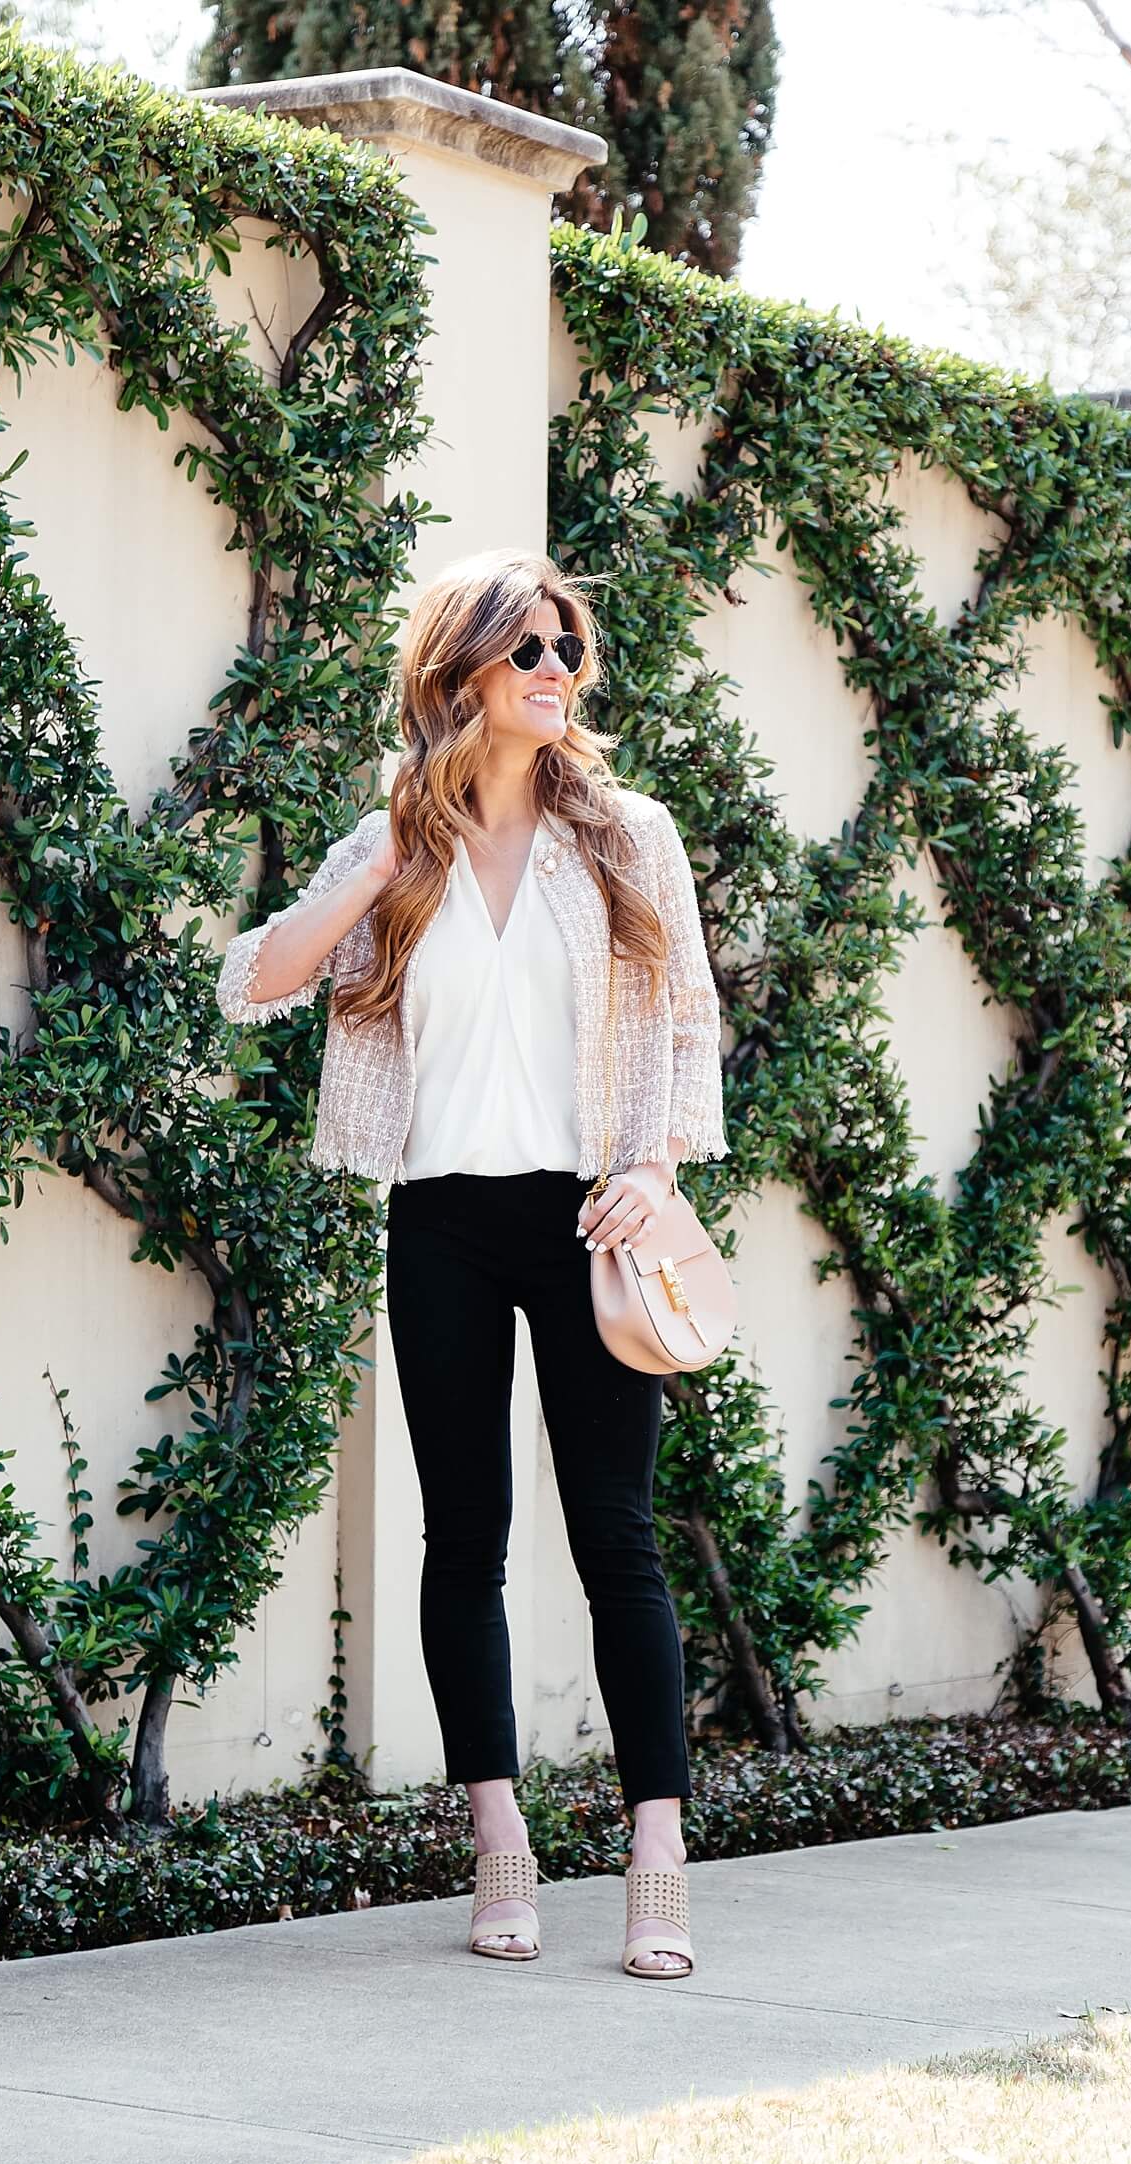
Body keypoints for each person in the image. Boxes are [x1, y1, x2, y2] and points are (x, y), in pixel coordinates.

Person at [216, 548, 728, 1979]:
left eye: (568, 650)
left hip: (588, 1223)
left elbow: (685, 1027)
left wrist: (652, 1167)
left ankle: (655, 1861)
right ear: (461, 678)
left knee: (618, 1540)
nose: (557, 673)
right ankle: (501, 1844)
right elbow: (252, 984)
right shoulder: (399, 836)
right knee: (464, 1539)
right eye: (529, 653)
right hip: (439, 1217)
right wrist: (368, 872)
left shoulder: (630, 836)